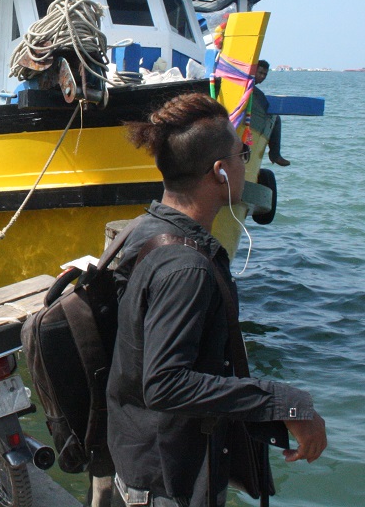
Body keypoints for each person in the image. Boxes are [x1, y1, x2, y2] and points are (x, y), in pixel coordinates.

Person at [106, 92, 326, 507]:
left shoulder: (142, 230)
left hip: (137, 462)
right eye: (242, 153)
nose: (247, 161)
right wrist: (285, 403)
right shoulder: (186, 268)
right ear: (220, 172)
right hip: (164, 487)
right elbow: (165, 384)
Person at [253, 60, 288, 166]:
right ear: (253, 71)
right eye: (260, 73)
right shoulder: (256, 93)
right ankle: (275, 154)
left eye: (265, 74)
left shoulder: (257, 92)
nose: (262, 76)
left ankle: (275, 154)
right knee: (275, 118)